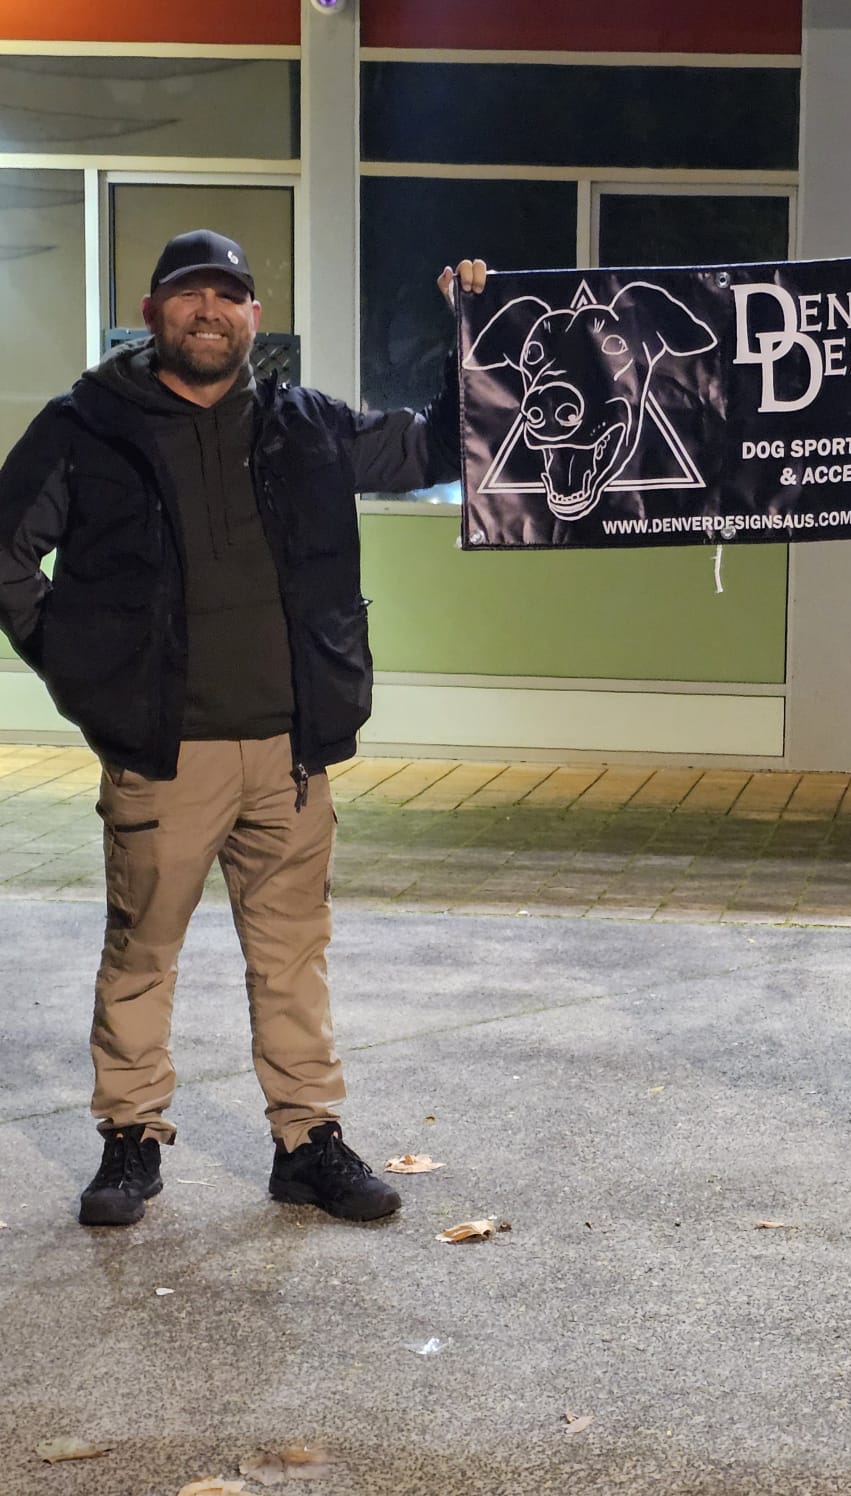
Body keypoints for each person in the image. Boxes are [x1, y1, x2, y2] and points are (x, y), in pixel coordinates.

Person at [0, 230, 488, 1227]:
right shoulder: (87, 425)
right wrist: (82, 665)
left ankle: (305, 1140)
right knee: (142, 949)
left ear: (255, 317)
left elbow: (434, 445)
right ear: (154, 312)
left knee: (293, 953)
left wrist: (469, 328)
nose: (208, 311)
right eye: (189, 295)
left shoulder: (304, 423)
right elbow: (6, 550)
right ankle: (129, 1137)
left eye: (228, 296)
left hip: (288, 754)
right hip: (161, 755)